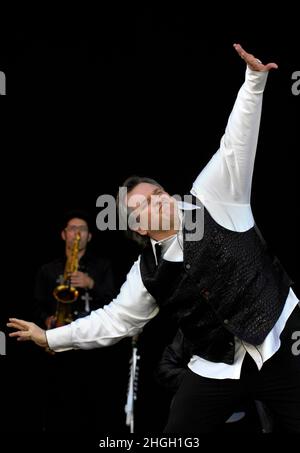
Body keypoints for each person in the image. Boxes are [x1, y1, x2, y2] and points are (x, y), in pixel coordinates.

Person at [8, 44, 300, 433]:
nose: (159, 199)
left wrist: (254, 80)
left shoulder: (213, 198)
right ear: (140, 227)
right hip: (216, 367)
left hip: (281, 338)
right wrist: (51, 337)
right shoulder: (145, 273)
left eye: (159, 192)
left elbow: (235, 145)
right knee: (175, 436)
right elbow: (114, 320)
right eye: (144, 203)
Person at [31, 209, 129, 432]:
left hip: (92, 346)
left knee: (93, 403)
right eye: (72, 229)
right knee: (58, 403)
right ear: (64, 234)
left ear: (89, 237)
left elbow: (116, 300)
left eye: (82, 229)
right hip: (58, 340)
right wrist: (46, 318)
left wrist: (91, 284)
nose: (77, 233)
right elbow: (36, 304)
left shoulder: (102, 266)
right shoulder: (48, 269)